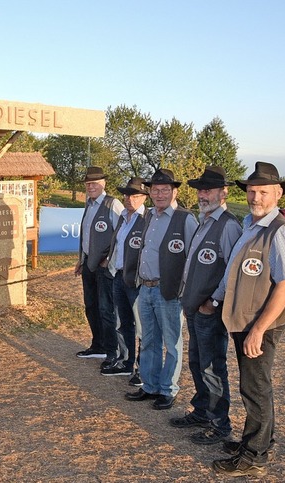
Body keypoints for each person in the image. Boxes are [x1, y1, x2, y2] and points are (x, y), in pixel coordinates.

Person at [210, 162, 285, 478]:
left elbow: (284, 284)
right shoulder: (251, 224)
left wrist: (258, 329)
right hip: (245, 320)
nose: (256, 197)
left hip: (260, 324)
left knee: (255, 388)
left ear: (278, 194)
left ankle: (254, 455)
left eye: (263, 192)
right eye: (252, 191)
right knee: (254, 385)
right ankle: (257, 440)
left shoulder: (277, 231)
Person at [169, 166, 242, 445]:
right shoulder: (205, 220)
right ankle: (202, 412)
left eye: (208, 189)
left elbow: (232, 272)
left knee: (213, 367)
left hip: (209, 309)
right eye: (200, 189)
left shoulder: (228, 225)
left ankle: (220, 424)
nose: (202, 194)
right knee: (198, 362)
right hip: (195, 306)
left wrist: (213, 301)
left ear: (223, 193)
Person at [125, 169, 197, 410]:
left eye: (165, 189)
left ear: (174, 191)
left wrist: (184, 290)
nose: (159, 194)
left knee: (172, 342)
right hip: (146, 288)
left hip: (169, 290)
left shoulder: (185, 218)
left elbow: (191, 257)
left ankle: (168, 389)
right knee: (148, 340)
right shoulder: (149, 217)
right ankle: (150, 385)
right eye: (155, 189)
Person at [74, 166, 124, 367]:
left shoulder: (113, 204)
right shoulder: (89, 204)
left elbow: (122, 234)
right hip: (89, 264)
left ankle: (113, 351)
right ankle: (98, 345)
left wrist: (109, 259)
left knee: (106, 309)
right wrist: (81, 258)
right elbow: (86, 235)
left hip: (105, 267)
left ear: (103, 183)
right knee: (91, 306)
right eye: (88, 184)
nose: (90, 186)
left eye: (94, 183)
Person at [105, 177, 148, 381]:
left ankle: (142, 369)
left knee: (141, 327)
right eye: (127, 195)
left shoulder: (147, 218)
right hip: (119, 275)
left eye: (135, 195)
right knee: (121, 322)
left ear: (143, 198)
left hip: (137, 280)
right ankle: (126, 361)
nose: (129, 199)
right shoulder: (123, 217)